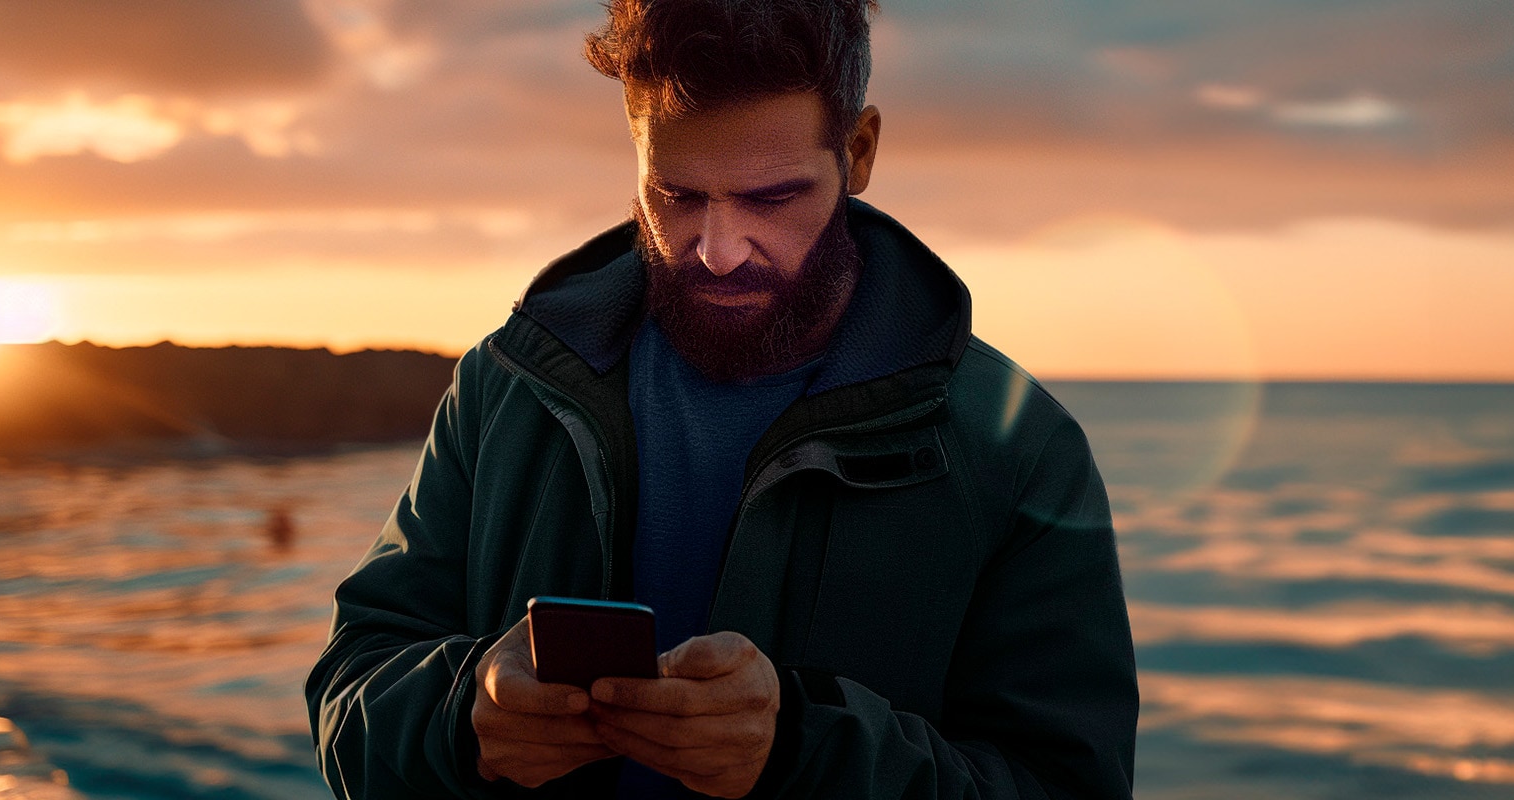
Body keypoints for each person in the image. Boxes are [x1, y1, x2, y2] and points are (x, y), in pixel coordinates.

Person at [305, 1, 1137, 797]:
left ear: (861, 149)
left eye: (772, 199)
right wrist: (462, 722)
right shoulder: (508, 385)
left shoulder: (1019, 450)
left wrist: (799, 755)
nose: (718, 250)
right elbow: (351, 691)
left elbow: (1067, 783)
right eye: (678, 196)